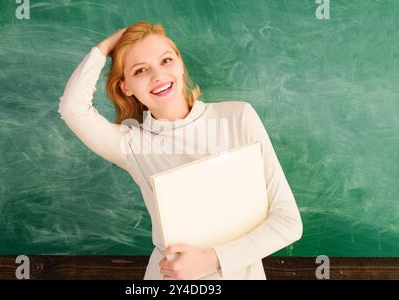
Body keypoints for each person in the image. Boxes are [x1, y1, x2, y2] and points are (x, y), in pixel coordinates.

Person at [58, 21, 303, 280]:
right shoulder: (132, 144)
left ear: (180, 63)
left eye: (165, 60)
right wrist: (104, 47)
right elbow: (72, 108)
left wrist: (212, 259)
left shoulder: (238, 116)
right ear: (126, 87)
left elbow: (288, 223)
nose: (158, 76)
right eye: (140, 70)